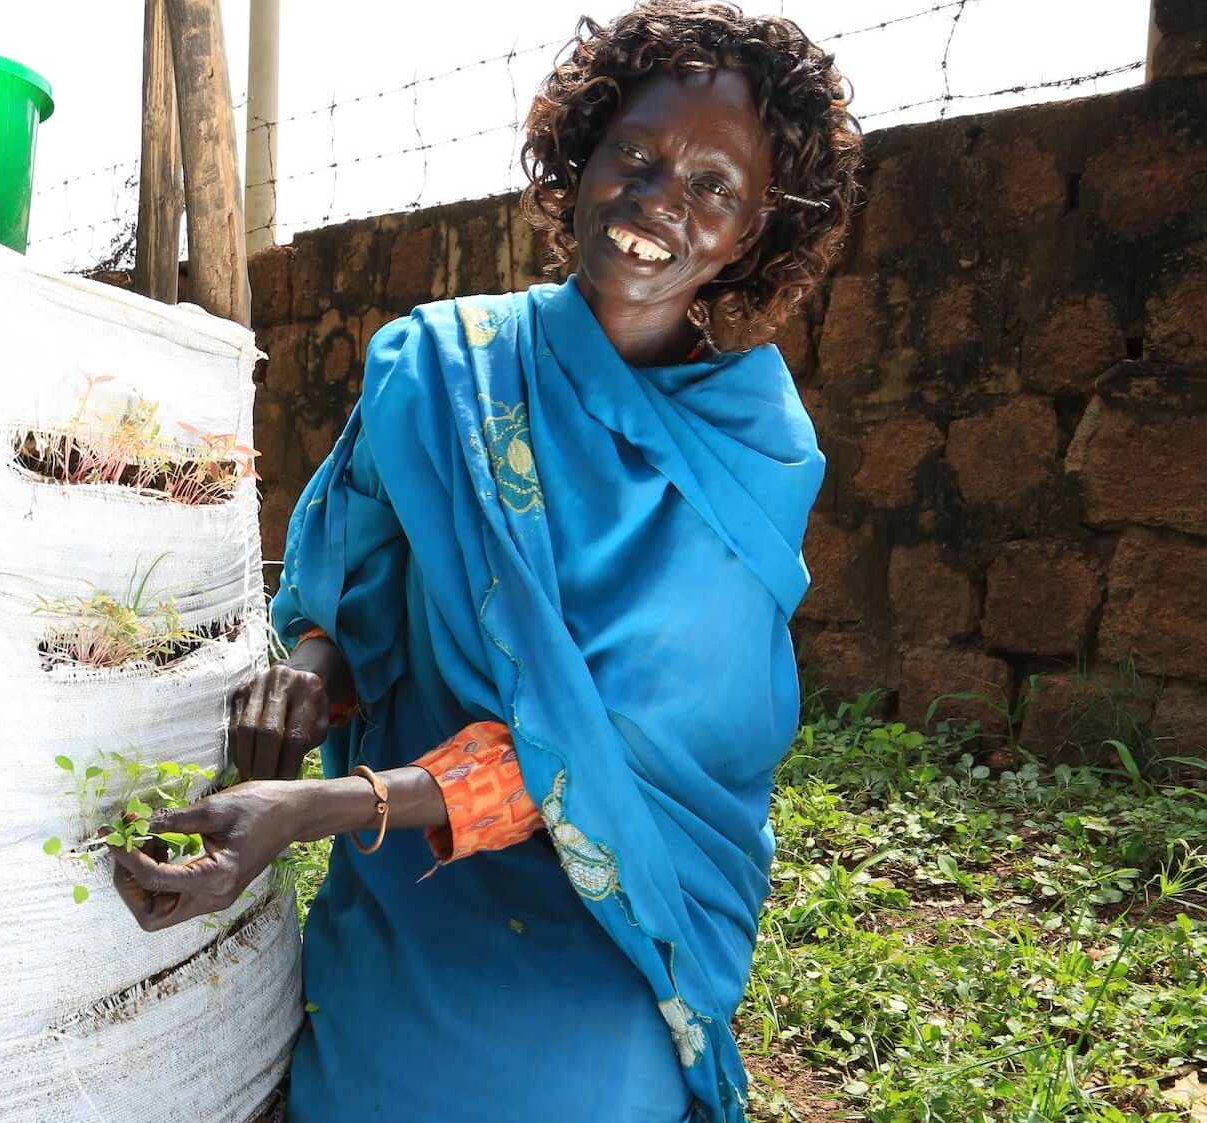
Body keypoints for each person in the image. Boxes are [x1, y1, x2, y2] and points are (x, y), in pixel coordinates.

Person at [108, 4, 862, 1121]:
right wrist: (307, 678)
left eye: (714, 185)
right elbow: (361, 592)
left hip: (620, 889)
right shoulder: (437, 363)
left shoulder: (748, 449)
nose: (661, 200)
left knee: (590, 1093)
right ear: (580, 160)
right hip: (424, 870)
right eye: (637, 156)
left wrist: (311, 811)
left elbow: (617, 754)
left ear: (751, 234)